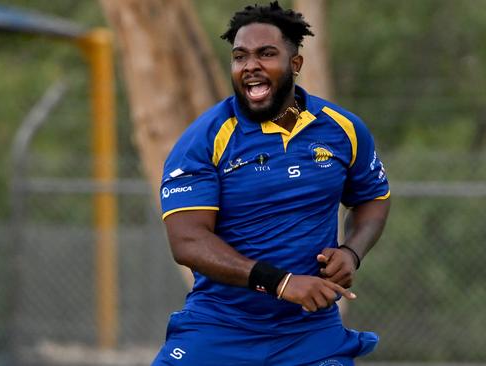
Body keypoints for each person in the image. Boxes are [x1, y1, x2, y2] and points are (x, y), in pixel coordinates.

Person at [152, 2, 390, 365]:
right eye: (240, 57)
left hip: (311, 334)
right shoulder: (204, 139)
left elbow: (373, 199)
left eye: (266, 54)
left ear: (295, 64)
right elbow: (188, 242)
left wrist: (352, 252)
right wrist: (280, 282)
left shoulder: (342, 129)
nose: (250, 66)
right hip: (219, 329)